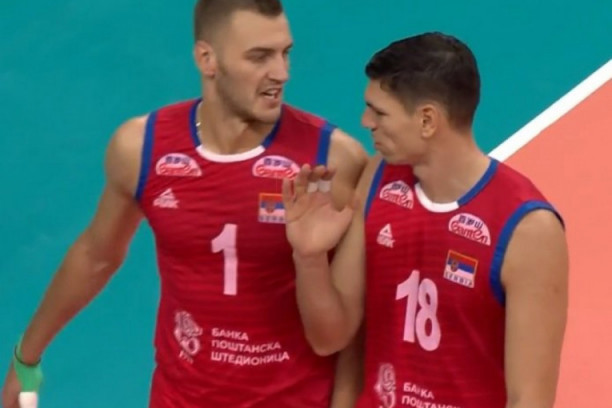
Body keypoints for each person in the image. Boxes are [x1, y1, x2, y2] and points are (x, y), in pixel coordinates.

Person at [1, 1, 368, 407]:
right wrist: (26, 358)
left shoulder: (333, 161)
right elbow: (96, 257)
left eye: (285, 53)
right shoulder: (142, 148)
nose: (281, 73)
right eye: (259, 56)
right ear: (207, 59)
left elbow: (359, 321)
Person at [283, 32, 569, 408]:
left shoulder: (527, 229)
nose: (365, 122)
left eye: (379, 112)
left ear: (427, 120)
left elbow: (529, 398)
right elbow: (329, 339)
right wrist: (309, 258)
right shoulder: (377, 179)